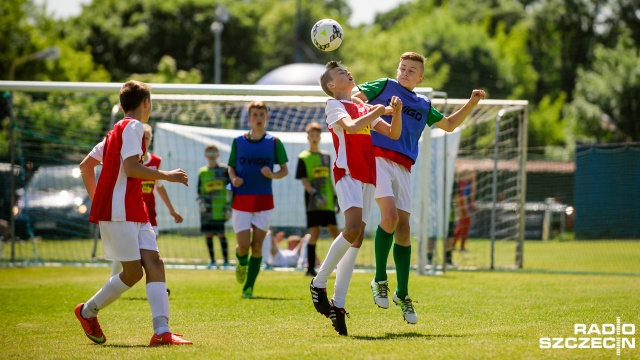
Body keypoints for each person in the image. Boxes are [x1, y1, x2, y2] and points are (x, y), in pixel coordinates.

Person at [354, 52, 485, 324]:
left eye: (412, 70)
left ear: (421, 77)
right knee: (388, 217)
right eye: (403, 67)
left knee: (404, 229)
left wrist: (471, 103)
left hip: (403, 167)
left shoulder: (423, 104)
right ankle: (379, 278)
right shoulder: (383, 85)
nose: (405, 72)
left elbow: (449, 125)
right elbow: (354, 99)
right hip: (377, 157)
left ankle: (402, 293)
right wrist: (380, 112)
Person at [75, 80, 192, 346]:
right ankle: (86, 311)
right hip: (121, 211)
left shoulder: (115, 131)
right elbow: (130, 168)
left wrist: (98, 202)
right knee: (132, 273)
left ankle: (162, 331)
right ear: (146, 103)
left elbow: (85, 166)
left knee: (155, 263)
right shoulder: (134, 127)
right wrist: (167, 175)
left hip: (133, 209)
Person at [310, 61, 403, 336]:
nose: (347, 73)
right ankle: (319, 281)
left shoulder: (363, 106)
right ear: (331, 85)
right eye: (341, 73)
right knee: (351, 229)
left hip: (367, 174)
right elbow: (350, 128)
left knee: (358, 236)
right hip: (347, 171)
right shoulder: (333, 105)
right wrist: (375, 110)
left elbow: (392, 133)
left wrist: (395, 113)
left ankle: (338, 305)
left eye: (347, 71)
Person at [228, 100, 288, 299]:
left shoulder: (274, 142)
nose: (258, 118)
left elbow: (284, 171)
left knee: (257, 246)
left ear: (267, 117)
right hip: (242, 198)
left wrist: (272, 174)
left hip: (264, 200)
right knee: (243, 246)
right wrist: (233, 178)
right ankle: (241, 264)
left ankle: (249, 287)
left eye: (262, 115)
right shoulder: (238, 141)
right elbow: (231, 167)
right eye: (255, 115)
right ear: (249, 118)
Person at [110, 123, 184, 282]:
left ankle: (156, 286)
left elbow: (160, 187)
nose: (145, 140)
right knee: (127, 252)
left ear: (151, 139)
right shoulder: (128, 161)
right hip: (129, 213)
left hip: (149, 216)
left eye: (148, 137)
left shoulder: (156, 161)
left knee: (151, 254)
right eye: (142, 137)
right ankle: (114, 280)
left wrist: (172, 210)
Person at [295, 121, 340, 277]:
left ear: (320, 137)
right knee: (314, 233)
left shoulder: (326, 157)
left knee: (335, 230)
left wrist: (334, 196)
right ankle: (310, 268)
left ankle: (343, 264)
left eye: (317, 135)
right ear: (307, 137)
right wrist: (314, 193)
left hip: (327, 200)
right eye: (311, 135)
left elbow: (329, 178)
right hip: (313, 202)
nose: (314, 138)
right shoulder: (303, 157)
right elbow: (303, 179)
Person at [197, 144, 231, 269]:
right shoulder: (202, 172)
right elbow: (199, 190)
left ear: (218, 154)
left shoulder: (223, 170)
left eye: (214, 151)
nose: (211, 153)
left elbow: (230, 187)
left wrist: (229, 204)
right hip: (207, 209)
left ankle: (226, 261)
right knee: (208, 234)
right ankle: (212, 261)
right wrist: (201, 203)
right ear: (205, 155)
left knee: (221, 234)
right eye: (209, 151)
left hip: (220, 208)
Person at [453, 169, 476, 252]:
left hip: (464, 206)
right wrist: (465, 210)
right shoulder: (465, 184)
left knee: (461, 226)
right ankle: (460, 247)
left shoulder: (466, 183)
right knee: (463, 226)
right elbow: (464, 197)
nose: (474, 174)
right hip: (464, 206)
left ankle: (455, 245)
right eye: (472, 172)